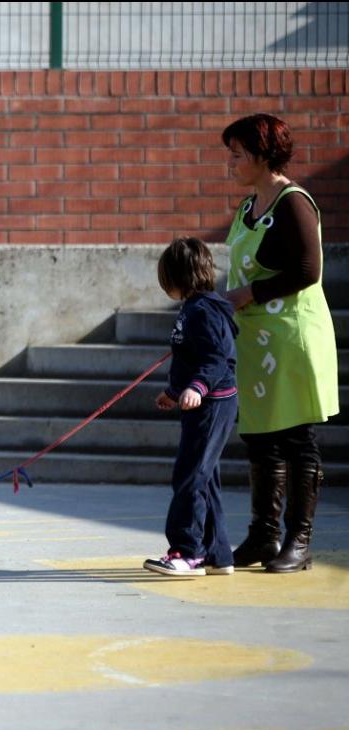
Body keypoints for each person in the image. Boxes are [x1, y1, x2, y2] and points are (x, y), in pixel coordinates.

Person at [220, 113, 339, 573]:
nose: (230, 162)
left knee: (295, 438)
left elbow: (309, 271)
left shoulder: (293, 203)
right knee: (260, 439)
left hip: (291, 339)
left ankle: (299, 540)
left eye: (237, 153)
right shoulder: (247, 207)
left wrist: (247, 294)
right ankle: (263, 537)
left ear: (263, 155)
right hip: (255, 342)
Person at [143, 238, 239, 577]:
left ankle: (188, 551)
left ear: (175, 277)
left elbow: (217, 358)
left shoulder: (205, 311)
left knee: (190, 475)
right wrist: (174, 391)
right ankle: (218, 554)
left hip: (212, 405)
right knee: (205, 477)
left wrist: (198, 388)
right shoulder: (193, 308)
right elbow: (188, 359)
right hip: (200, 404)